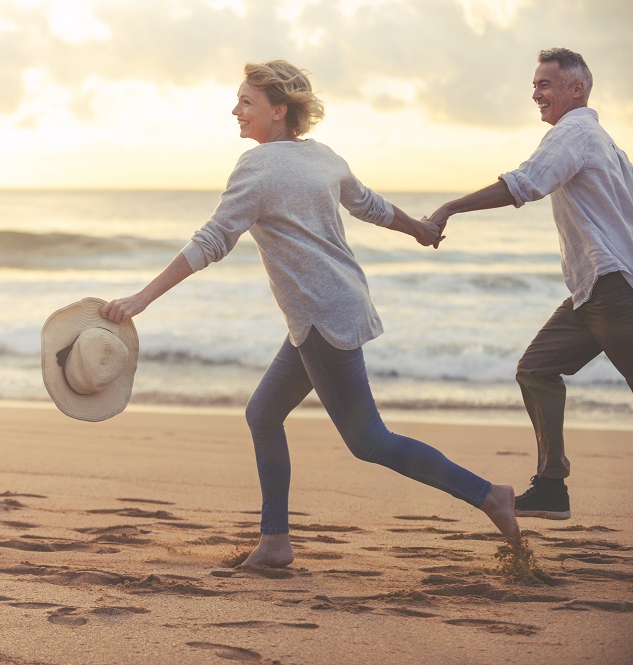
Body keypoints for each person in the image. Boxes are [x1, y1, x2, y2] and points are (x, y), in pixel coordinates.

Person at [99, 60, 522, 567]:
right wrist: (418, 229)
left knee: (369, 440)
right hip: (332, 308)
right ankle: (275, 541)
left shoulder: (254, 168)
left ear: (279, 111)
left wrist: (142, 298)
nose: (236, 110)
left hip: (321, 316)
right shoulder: (323, 157)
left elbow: (214, 239)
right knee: (263, 414)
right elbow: (369, 205)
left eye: (246, 101)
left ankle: (489, 494)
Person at [427, 48, 633, 521]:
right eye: (535, 85)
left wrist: (448, 208)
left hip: (613, 289)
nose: (535, 93)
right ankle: (551, 486)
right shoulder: (602, 141)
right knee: (536, 368)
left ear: (575, 90)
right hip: (593, 291)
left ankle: (550, 484)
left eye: (545, 84)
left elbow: (525, 184)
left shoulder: (575, 132)